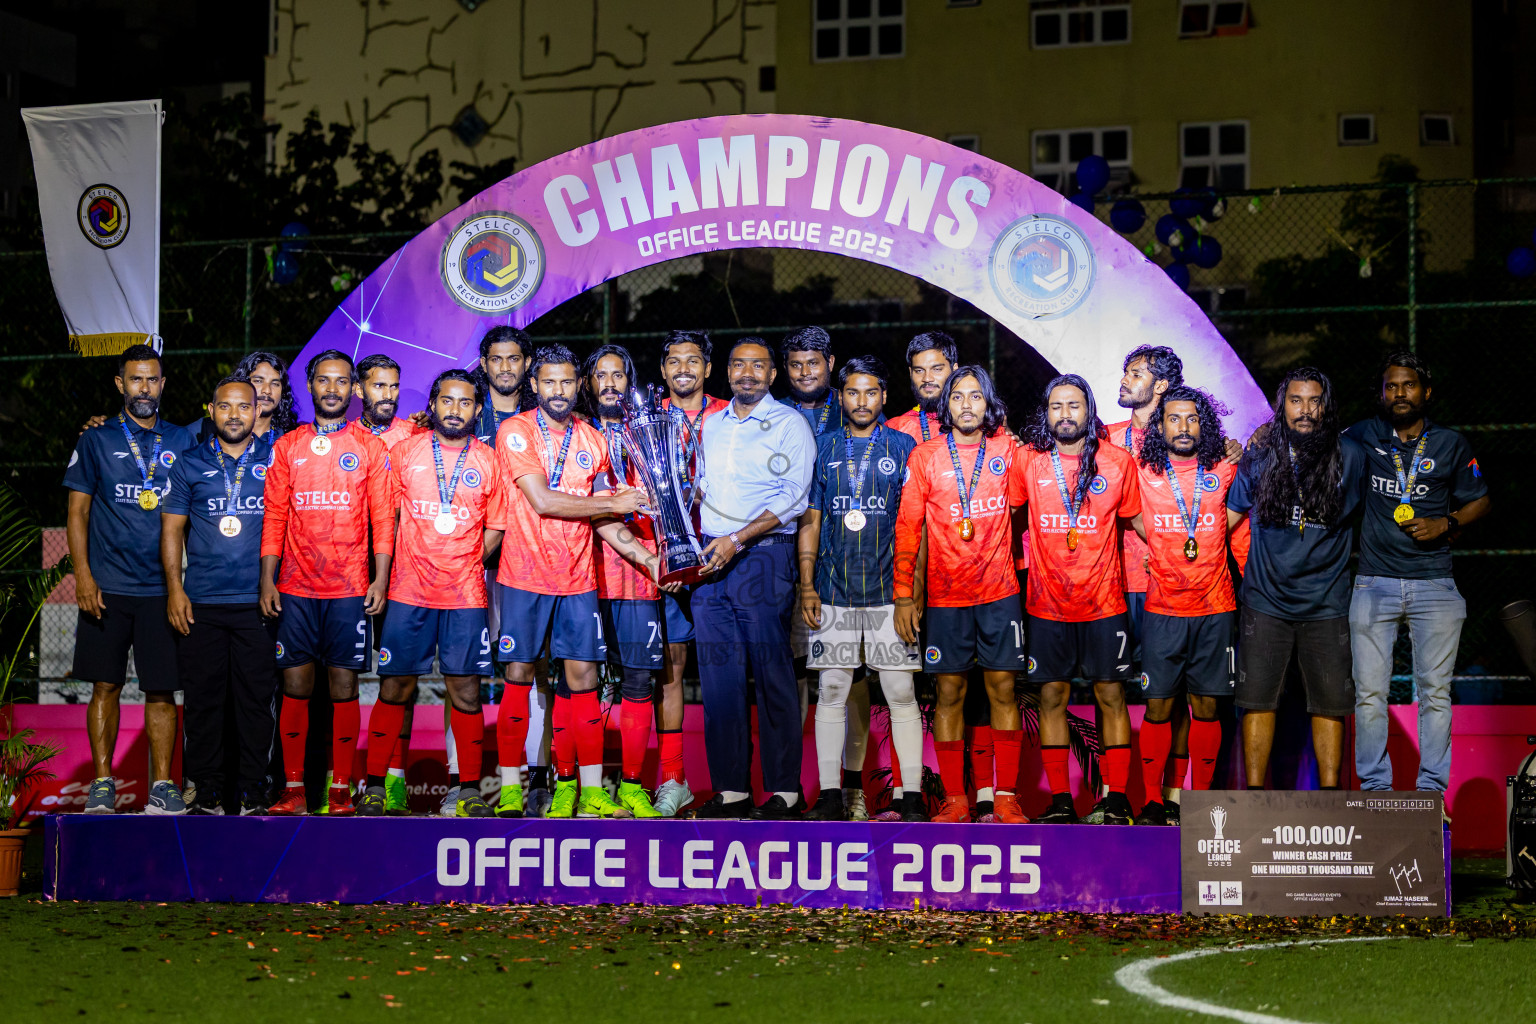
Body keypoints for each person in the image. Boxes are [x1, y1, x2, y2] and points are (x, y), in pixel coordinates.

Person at [493, 344, 657, 819]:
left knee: (584, 679)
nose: (558, 390)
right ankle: (510, 789)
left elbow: (604, 517)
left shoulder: (593, 440)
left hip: (578, 578)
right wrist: (615, 503)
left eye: (566, 381)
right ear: (534, 384)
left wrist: (648, 559)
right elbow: (543, 501)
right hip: (524, 575)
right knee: (519, 676)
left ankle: (591, 792)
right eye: (548, 382)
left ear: (577, 384)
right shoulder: (516, 431)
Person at [1345, 352, 1490, 800]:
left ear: (1426, 392)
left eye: (1408, 385)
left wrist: (1447, 522)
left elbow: (1481, 500)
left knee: (1435, 694)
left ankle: (1430, 795)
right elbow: (1315, 445)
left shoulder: (1450, 443)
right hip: (1373, 582)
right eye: (1391, 386)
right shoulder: (1363, 435)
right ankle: (1376, 790)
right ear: (1381, 394)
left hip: (1435, 583)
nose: (1399, 393)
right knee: (1369, 694)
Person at [360, 369, 505, 817]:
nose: (455, 410)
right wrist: (385, 575)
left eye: (465, 402)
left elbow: (497, 525)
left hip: (464, 596)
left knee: (466, 692)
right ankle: (376, 786)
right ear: (434, 404)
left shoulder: (489, 460)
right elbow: (386, 517)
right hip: (409, 591)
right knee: (395, 687)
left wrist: (466, 561)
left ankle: (468, 790)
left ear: (477, 410)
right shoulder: (405, 452)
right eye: (447, 400)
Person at [63, 344, 196, 815]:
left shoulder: (183, 439)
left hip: (163, 592)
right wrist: (83, 576)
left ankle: (161, 786)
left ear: (163, 384)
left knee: (162, 690)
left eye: (152, 379)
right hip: (107, 587)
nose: (144, 388)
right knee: (105, 685)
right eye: (136, 379)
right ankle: (103, 782)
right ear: (121, 383)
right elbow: (77, 513)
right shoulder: (95, 440)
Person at [260, 350, 394, 815]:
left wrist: (380, 578)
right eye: (323, 380)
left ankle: (339, 789)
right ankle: (294, 789)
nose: (332, 389)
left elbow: (383, 517)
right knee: (295, 687)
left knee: (343, 687)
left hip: (350, 589)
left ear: (353, 389)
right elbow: (274, 516)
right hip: (296, 588)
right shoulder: (288, 446)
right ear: (310, 385)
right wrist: (268, 579)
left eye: (341, 381)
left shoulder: (370, 447)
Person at [894, 365, 1029, 824]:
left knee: (1003, 690)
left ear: (989, 404)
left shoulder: (1008, 450)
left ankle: (1006, 798)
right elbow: (908, 527)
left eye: (975, 396)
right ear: (945, 406)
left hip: (999, 593)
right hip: (945, 598)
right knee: (949, 693)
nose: (966, 405)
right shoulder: (925, 457)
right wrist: (904, 595)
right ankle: (955, 799)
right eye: (957, 397)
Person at [691, 338, 816, 819]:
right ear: (727, 372)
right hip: (710, 559)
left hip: (763, 556)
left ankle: (785, 791)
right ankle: (731, 790)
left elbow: (794, 497)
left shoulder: (789, 423)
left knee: (771, 674)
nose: (747, 373)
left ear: (772, 375)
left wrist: (737, 539)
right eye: (739, 365)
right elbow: (700, 488)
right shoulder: (711, 424)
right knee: (719, 679)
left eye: (758, 366)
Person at [1228, 367, 1367, 790]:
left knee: (1330, 704)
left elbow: (1365, 518)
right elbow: (1228, 519)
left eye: (1314, 401)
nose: (1305, 410)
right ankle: (1254, 795)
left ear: (1326, 406)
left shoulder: (1351, 455)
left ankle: (1330, 797)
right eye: (1295, 400)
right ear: (1282, 405)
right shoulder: (1260, 453)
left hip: (1327, 602)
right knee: (1257, 701)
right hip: (1265, 601)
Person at [800, 356, 926, 822]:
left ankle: (911, 797)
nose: (861, 400)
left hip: (889, 593)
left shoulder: (904, 446)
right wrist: (807, 584)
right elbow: (811, 520)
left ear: (884, 396)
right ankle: (830, 796)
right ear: (841, 397)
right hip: (833, 590)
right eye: (852, 392)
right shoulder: (824, 447)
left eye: (871, 392)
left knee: (899, 689)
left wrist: (912, 590)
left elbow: (915, 524)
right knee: (832, 688)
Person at [1021, 375, 1142, 825]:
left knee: (1111, 695)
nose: (1065, 414)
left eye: (1074, 405)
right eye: (1056, 406)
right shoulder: (1028, 461)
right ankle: (1061, 801)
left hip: (1104, 602)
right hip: (1046, 604)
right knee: (1052, 695)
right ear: (1046, 412)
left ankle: (1116, 799)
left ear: (1089, 410)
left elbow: (1138, 524)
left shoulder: (1117, 461)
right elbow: (1007, 515)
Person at [1128, 386, 1249, 824]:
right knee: (1158, 707)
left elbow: (1236, 517)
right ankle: (1152, 802)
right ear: (1159, 426)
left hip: (1215, 608)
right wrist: (1161, 542)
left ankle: (1200, 803)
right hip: (1163, 609)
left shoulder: (1226, 467)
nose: (1183, 427)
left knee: (1208, 708)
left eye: (1192, 418)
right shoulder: (1142, 470)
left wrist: (1207, 536)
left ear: (1205, 424)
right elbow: (1131, 514)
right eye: (1174, 419)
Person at [161, 375, 276, 816]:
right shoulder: (189, 463)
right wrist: (175, 589)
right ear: (211, 411)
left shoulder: (276, 458)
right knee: (204, 702)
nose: (234, 415)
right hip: (202, 602)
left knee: (255, 702)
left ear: (257, 411)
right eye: (225, 406)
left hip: (258, 603)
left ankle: (253, 789)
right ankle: (205, 789)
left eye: (244, 406)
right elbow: (171, 531)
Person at [459, 325, 543, 817]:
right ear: (484, 363)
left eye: (514, 358)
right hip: (472, 563)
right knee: (464, 673)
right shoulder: (465, 413)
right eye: (496, 359)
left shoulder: (543, 417)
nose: (505, 367)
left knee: (531, 670)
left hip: (530, 563)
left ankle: (537, 780)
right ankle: (463, 785)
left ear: (526, 364)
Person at [587, 343, 668, 818]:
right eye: (601, 375)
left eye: (618, 375)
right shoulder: (578, 436)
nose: (610, 383)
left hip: (640, 579)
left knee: (639, 682)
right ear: (589, 383)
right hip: (585, 578)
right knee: (583, 684)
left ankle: (633, 786)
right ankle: (580, 787)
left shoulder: (651, 434)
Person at [654, 329, 729, 816]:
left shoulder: (729, 414)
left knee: (727, 671)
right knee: (670, 670)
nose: (684, 368)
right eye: (674, 361)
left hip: (722, 558)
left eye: (693, 360)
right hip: (667, 562)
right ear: (664, 370)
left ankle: (734, 784)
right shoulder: (646, 419)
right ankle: (672, 779)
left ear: (708, 368)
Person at [887, 331, 957, 445]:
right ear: (910, 373)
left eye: (937, 369)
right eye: (919, 371)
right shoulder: (895, 430)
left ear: (954, 370)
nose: (927, 378)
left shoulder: (976, 423)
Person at [356, 353, 417, 447]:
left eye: (394, 386)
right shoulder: (344, 437)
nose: (388, 395)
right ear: (360, 390)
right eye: (379, 386)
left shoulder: (415, 434)